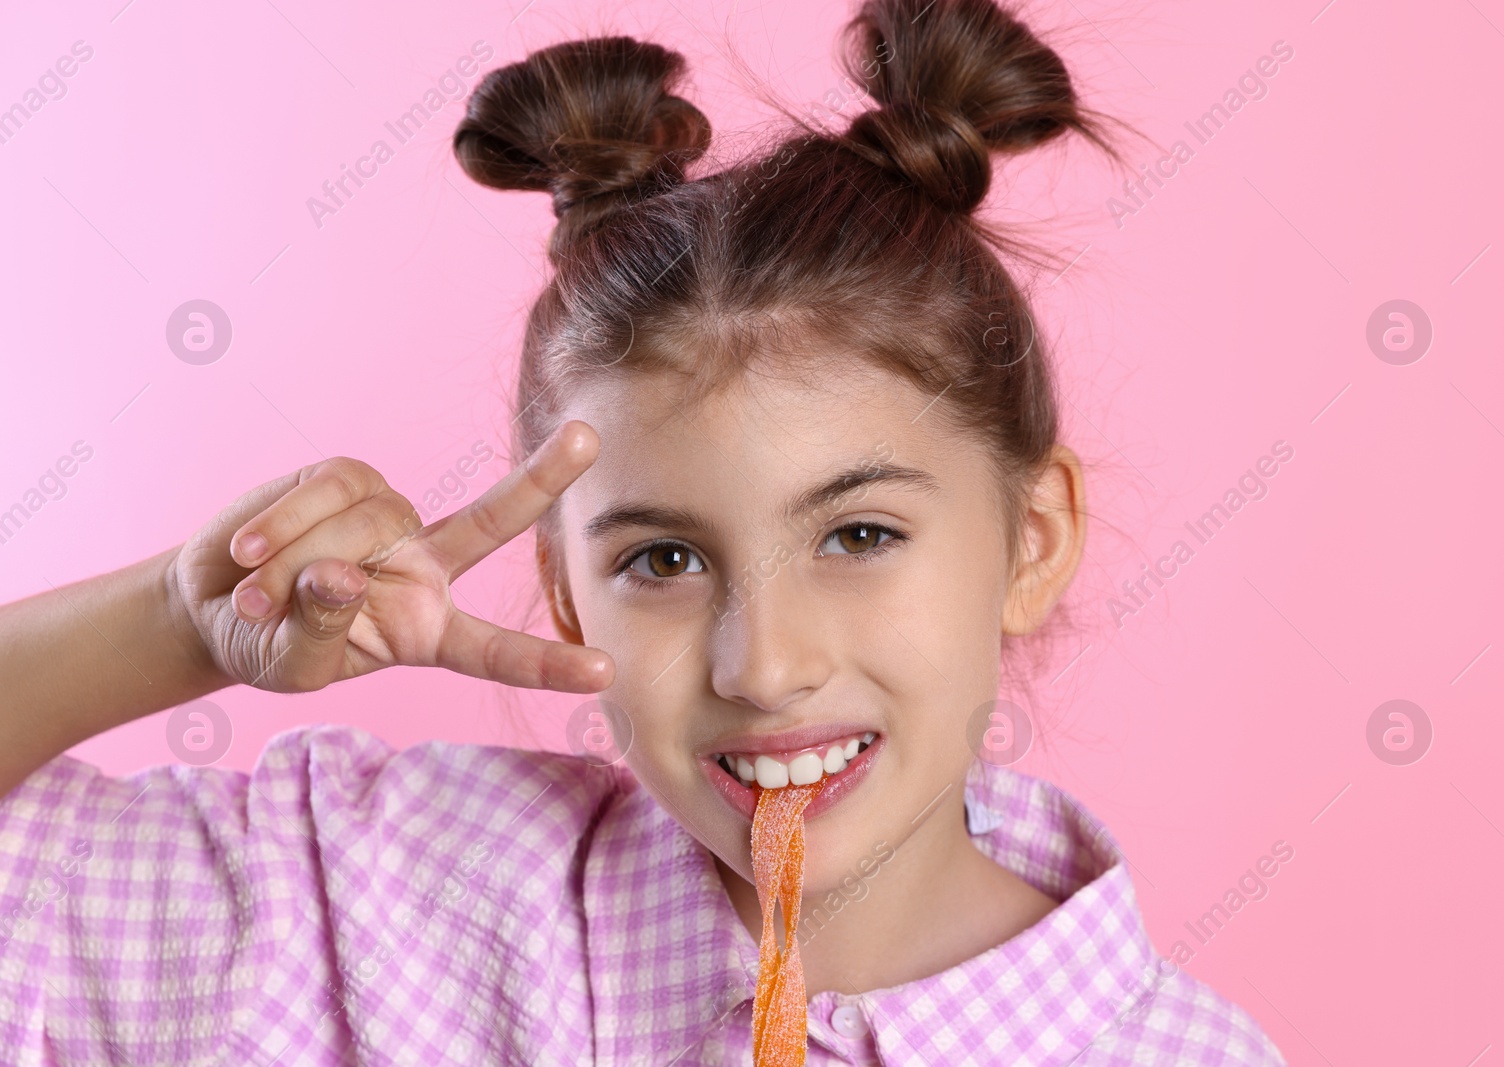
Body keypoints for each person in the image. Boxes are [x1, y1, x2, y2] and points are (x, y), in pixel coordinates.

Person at [0, 0, 1286, 1062]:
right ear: (562, 589)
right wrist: (175, 626)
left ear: (1032, 537)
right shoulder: (384, 903)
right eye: (661, 560)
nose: (763, 664)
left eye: (858, 535)